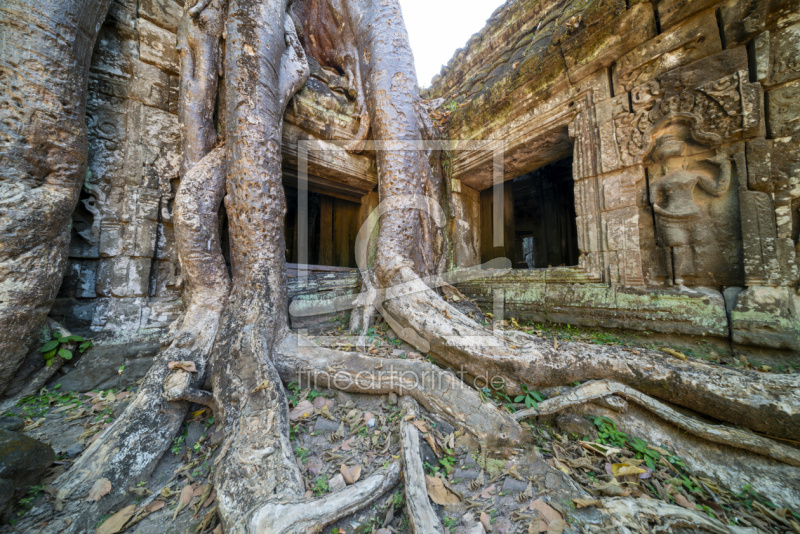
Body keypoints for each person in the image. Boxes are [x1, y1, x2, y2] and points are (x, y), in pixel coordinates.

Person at [649, 134, 730, 286]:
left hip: (695, 216)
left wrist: (725, 166)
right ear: (663, 164)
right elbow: (652, 205)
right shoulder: (658, 182)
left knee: (703, 245)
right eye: (669, 159)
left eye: (677, 158)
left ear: (684, 160)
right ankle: (675, 281)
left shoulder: (695, 176)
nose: (674, 162)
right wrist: (666, 214)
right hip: (670, 219)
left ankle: (704, 280)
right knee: (676, 247)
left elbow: (718, 190)